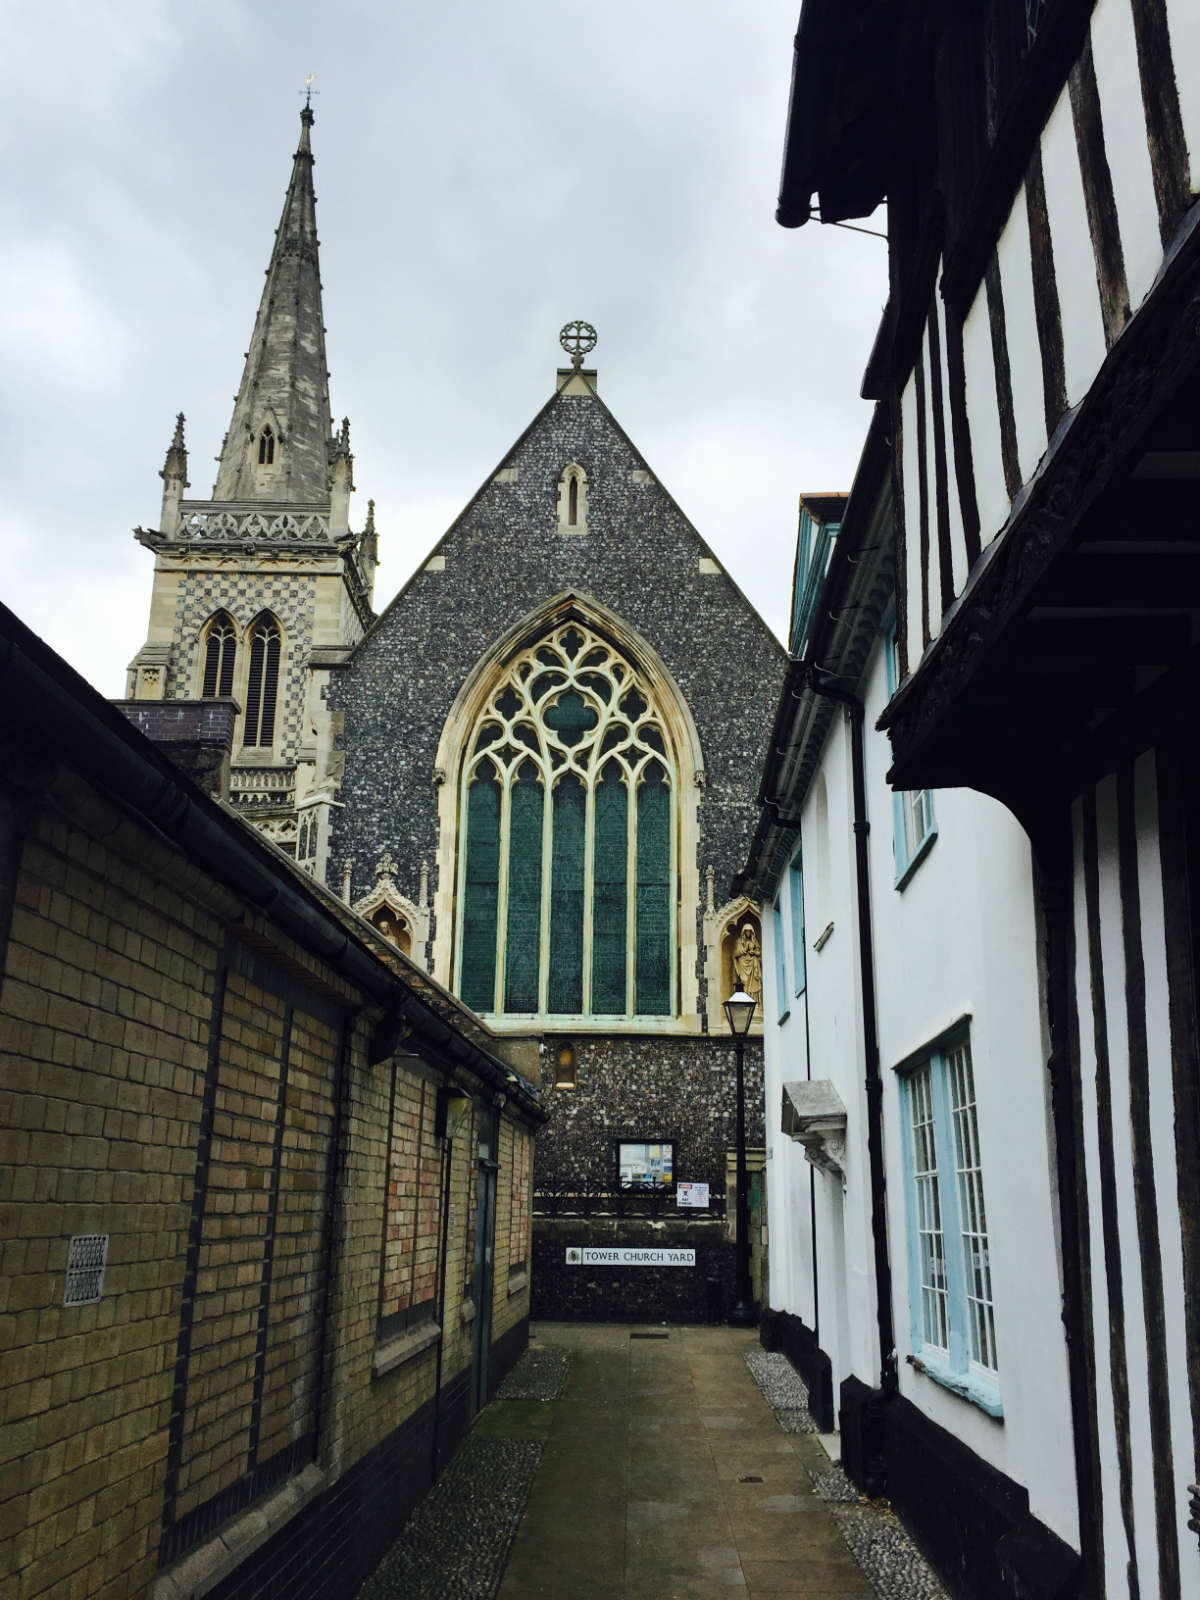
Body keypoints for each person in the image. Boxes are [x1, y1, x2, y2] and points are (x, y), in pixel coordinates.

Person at [732, 923, 762, 1005]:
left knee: (754, 983)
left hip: (753, 963)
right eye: (746, 932)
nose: (748, 933)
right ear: (744, 932)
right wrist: (745, 949)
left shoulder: (754, 941)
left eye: (749, 932)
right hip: (743, 964)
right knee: (744, 981)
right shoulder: (739, 941)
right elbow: (735, 954)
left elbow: (759, 952)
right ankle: (746, 1002)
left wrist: (754, 952)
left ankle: (755, 1004)